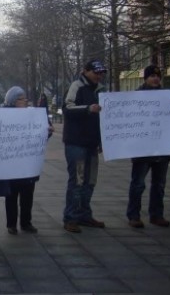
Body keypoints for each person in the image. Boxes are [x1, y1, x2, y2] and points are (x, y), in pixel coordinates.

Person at [127, 65, 170, 228]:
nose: (155, 78)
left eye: (158, 76)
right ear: (145, 78)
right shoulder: (136, 97)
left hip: (163, 149)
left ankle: (157, 215)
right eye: (152, 76)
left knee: (159, 185)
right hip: (143, 149)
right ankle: (133, 215)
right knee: (138, 184)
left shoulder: (169, 97)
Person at [62, 59, 106, 233]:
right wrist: (88, 108)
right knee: (78, 181)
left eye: (101, 72)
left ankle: (84, 215)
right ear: (86, 71)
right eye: (96, 72)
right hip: (77, 143)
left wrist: (102, 140)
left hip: (92, 144)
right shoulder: (76, 86)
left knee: (90, 181)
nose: (99, 75)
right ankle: (71, 217)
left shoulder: (101, 90)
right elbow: (67, 108)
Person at [3, 86, 54, 235]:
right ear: (13, 101)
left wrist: (47, 133)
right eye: (21, 99)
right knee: (11, 196)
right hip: (12, 164)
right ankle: (11, 224)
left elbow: (39, 136)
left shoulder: (32, 115)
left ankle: (26, 222)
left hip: (28, 163)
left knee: (27, 195)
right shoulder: (5, 116)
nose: (25, 101)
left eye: (25, 98)